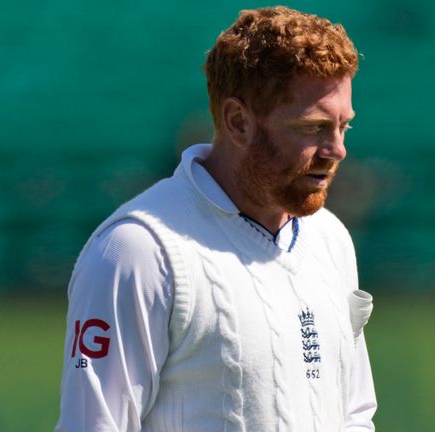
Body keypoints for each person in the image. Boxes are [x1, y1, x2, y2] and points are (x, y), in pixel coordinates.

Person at [56, 6, 376, 431]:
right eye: (313, 128)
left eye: (343, 127)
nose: (337, 150)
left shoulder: (330, 238)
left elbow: (354, 416)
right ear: (238, 122)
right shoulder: (138, 251)